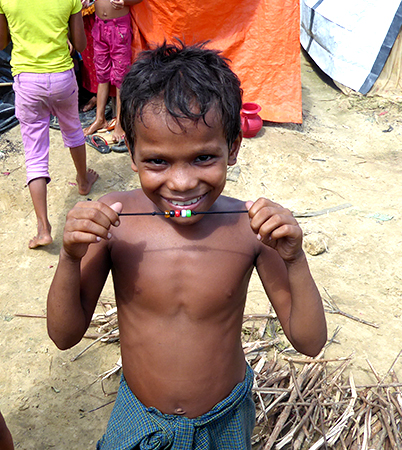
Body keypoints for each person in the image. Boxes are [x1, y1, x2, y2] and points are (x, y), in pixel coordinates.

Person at [47, 41, 328, 449]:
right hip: (139, 416)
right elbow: (63, 334)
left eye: (202, 158)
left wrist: (295, 258)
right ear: (132, 152)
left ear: (232, 148)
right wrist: (70, 259)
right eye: (157, 161)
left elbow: (310, 341)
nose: (181, 183)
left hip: (223, 420)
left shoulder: (252, 229)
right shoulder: (113, 220)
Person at [0, 0, 98, 249]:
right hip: (62, 78)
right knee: (73, 129)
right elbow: (80, 45)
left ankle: (43, 228)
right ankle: (83, 181)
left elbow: (1, 42)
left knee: (34, 153)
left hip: (28, 82)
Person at [83, 0, 142, 144]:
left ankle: (120, 123)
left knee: (120, 78)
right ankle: (100, 119)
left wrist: (124, 2)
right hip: (99, 26)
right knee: (101, 75)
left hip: (119, 27)